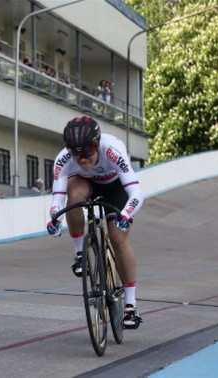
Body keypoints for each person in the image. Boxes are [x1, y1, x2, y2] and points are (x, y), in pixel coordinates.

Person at [47, 116, 144, 329]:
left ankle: (130, 304)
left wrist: (125, 215)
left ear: (98, 143)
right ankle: (80, 253)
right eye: (75, 152)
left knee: (118, 239)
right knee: (73, 198)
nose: (81, 159)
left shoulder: (112, 150)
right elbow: (57, 199)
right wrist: (54, 218)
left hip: (116, 187)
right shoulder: (63, 159)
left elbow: (136, 192)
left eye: (88, 152)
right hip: (86, 184)